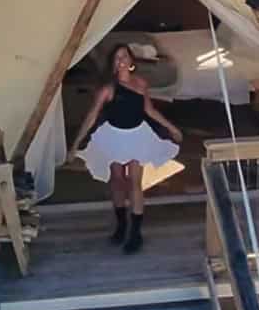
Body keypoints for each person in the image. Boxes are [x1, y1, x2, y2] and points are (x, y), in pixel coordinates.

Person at [67, 44, 182, 253]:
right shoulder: (108, 89)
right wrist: (76, 144)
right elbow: (92, 115)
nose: (121, 60)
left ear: (131, 61)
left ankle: (135, 232)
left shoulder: (141, 84)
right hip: (114, 136)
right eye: (117, 57)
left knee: (135, 183)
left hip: (138, 134)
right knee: (118, 181)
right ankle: (121, 225)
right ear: (113, 64)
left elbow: (149, 110)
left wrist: (171, 127)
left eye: (125, 56)